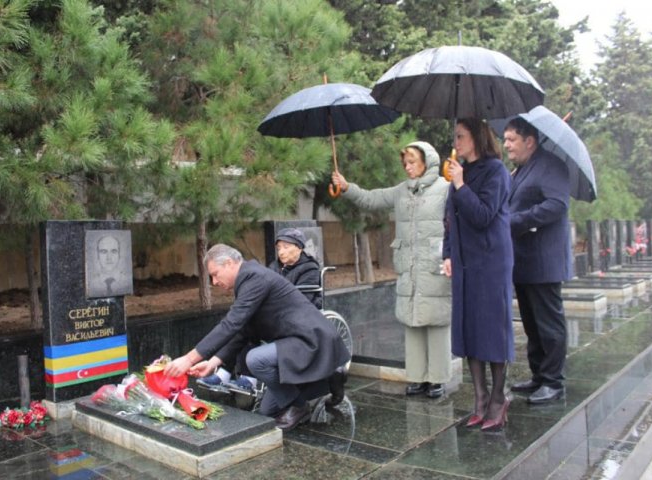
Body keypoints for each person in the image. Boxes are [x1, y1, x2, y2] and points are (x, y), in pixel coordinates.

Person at [163, 244, 350, 431]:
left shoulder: (254, 277)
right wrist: (212, 363)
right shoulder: (247, 280)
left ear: (229, 263)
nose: (214, 281)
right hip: (292, 343)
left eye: (215, 274)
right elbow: (242, 330)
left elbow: (231, 324)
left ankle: (300, 407)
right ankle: (329, 375)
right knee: (266, 412)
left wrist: (188, 359)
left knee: (255, 359)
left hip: (311, 340)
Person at [331, 141, 451, 399]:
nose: (407, 167)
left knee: (437, 321)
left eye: (412, 162)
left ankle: (438, 379)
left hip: (435, 264)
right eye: (405, 163)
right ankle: (417, 378)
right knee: (412, 322)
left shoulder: (447, 189)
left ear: (427, 162)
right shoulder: (401, 191)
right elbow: (371, 198)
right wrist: (347, 187)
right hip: (409, 266)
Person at [443, 118, 514, 431]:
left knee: (491, 329)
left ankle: (499, 398)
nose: (456, 141)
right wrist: (447, 253)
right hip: (464, 261)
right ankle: (480, 399)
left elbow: (484, 215)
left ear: (477, 137)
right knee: (470, 328)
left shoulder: (496, 171)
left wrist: (460, 185)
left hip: (490, 260)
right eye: (455, 136)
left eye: (461, 136)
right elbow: (450, 219)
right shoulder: (459, 171)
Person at [199, 228, 324, 392]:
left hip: (297, 317)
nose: (282, 252)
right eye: (279, 248)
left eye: (287, 247)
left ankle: (248, 378)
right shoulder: (274, 267)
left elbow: (299, 302)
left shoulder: (309, 269)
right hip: (271, 313)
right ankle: (225, 371)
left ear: (299, 247)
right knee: (242, 325)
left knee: (249, 326)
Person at [505, 117, 571, 404]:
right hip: (523, 261)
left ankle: (554, 382)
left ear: (529, 141)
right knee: (531, 324)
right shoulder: (519, 170)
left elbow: (557, 204)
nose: (506, 145)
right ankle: (538, 376)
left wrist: (519, 221)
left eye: (511, 140)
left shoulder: (551, 166)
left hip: (544, 261)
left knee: (548, 324)